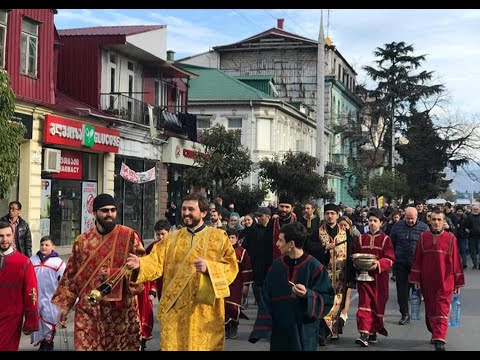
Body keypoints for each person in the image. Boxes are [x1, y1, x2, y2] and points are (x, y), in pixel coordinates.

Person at [126, 193, 238, 351]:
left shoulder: (219, 238)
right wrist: (140, 264)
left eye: (191, 209)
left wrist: (210, 268)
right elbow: (155, 262)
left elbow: (232, 267)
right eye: (184, 209)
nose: (186, 213)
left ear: (203, 212)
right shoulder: (170, 239)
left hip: (205, 311)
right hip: (175, 310)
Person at [51, 193, 146, 351]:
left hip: (120, 314)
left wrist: (122, 273)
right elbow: (71, 274)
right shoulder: (82, 241)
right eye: (105, 211)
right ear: (94, 212)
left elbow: (143, 269)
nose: (110, 214)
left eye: (113, 210)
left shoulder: (129, 236)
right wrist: (65, 306)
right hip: (89, 311)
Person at [248, 222, 334, 351]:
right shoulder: (276, 266)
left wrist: (308, 295)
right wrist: (264, 327)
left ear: (291, 244)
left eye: (281, 240)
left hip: (304, 331)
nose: (277, 244)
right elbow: (265, 296)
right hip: (280, 332)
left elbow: (328, 298)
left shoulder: (315, 267)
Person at [410, 210, 465, 351]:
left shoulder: (451, 238)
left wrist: (458, 282)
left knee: (442, 308)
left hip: (446, 281)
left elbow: (457, 262)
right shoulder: (423, 238)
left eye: (439, 220)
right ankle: (434, 332)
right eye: (434, 219)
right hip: (427, 281)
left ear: (443, 221)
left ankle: (440, 339)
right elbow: (417, 260)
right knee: (430, 310)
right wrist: (415, 278)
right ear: (430, 221)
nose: (436, 222)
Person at [308, 203, 356, 344]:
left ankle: (331, 331)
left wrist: (351, 277)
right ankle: (323, 332)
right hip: (323, 275)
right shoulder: (318, 232)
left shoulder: (344, 232)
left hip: (341, 274)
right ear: (324, 215)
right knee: (324, 301)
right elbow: (309, 248)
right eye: (327, 213)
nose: (330, 216)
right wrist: (323, 248)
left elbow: (351, 252)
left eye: (333, 213)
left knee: (337, 302)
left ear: (337, 215)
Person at [353, 208, 395, 347]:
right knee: (364, 304)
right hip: (364, 278)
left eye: (375, 221)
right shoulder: (361, 238)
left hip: (379, 279)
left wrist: (378, 264)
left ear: (381, 223)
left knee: (377, 305)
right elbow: (355, 255)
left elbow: (390, 259)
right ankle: (363, 333)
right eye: (370, 220)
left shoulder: (385, 240)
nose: (372, 223)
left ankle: (373, 332)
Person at [0, 221, 39, 351]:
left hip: (11, 319)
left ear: (13, 236)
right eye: (1, 236)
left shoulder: (24, 262)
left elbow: (31, 293)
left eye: (8, 235)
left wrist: (31, 320)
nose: (5, 239)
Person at [389, 206, 429, 325]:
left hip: (417, 265)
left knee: (416, 290)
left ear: (417, 217)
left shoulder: (424, 228)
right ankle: (404, 314)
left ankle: (415, 312)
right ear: (404, 216)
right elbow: (392, 243)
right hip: (401, 263)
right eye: (408, 218)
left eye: (412, 218)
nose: (410, 221)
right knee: (402, 291)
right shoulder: (397, 226)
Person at [138, 219, 171, 351]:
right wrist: (153, 289)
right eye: (158, 234)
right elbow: (147, 266)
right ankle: (165, 345)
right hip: (161, 285)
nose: (161, 237)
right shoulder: (152, 248)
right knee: (164, 316)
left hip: (175, 285)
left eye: (163, 234)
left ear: (169, 232)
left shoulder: (176, 247)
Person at [30, 235, 66, 351]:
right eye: (42, 244)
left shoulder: (58, 263)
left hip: (51, 298)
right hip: (36, 296)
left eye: (47, 245)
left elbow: (64, 281)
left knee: (49, 321)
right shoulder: (32, 260)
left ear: (53, 247)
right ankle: (43, 343)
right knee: (38, 321)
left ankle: (49, 343)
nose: (44, 247)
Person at [224, 227, 253, 339]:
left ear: (237, 238)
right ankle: (226, 328)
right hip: (223, 283)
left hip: (237, 283)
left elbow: (246, 269)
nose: (230, 240)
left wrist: (246, 285)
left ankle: (234, 325)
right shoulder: (221, 251)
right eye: (228, 237)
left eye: (232, 238)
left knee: (234, 307)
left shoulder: (242, 252)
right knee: (223, 307)